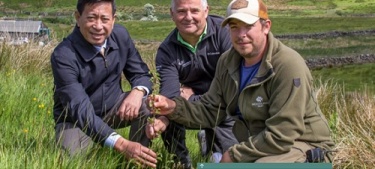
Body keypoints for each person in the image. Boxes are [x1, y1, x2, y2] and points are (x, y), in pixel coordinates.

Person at [146, 0, 335, 163]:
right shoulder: (228, 61)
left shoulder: (288, 65)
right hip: (261, 143)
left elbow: (282, 135)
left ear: (266, 26)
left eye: (249, 26)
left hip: (303, 144)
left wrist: (234, 155)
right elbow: (209, 111)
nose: (241, 34)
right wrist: (172, 107)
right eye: (234, 27)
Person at [50, 0, 157, 168]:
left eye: (104, 19)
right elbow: (80, 109)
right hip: (76, 120)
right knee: (72, 160)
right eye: (91, 18)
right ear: (78, 18)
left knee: (147, 104)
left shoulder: (121, 36)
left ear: (113, 20)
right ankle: (117, 146)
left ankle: (139, 161)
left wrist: (137, 92)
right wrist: (121, 144)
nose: (98, 26)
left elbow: (142, 74)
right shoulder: (63, 55)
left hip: (112, 109)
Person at [147, 0, 238, 167]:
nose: (188, 17)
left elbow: (231, 86)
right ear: (172, 14)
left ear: (206, 11)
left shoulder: (225, 34)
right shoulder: (167, 51)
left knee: (230, 159)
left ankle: (211, 146)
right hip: (194, 104)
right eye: (181, 11)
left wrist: (191, 98)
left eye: (194, 11)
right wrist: (166, 113)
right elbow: (170, 95)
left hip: (224, 104)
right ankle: (181, 163)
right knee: (167, 114)